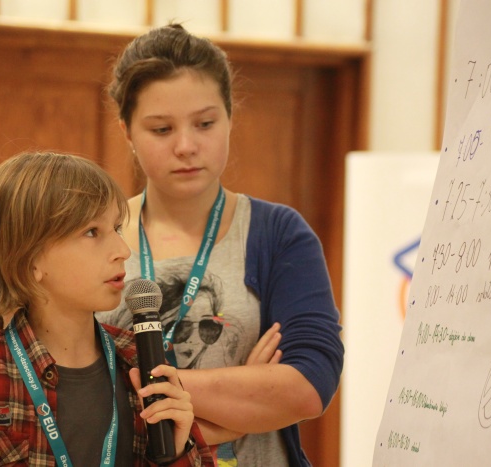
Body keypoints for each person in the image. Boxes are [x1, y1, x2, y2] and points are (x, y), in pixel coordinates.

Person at [95, 24, 344, 466]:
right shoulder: (95, 237)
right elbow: (74, 396)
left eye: (205, 123)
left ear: (230, 118)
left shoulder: (277, 233)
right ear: (127, 132)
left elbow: (310, 385)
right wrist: (243, 402)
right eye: (161, 129)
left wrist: (162, 398)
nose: (186, 146)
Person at [0, 151, 216, 466]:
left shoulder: (140, 360)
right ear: (30, 260)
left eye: (116, 228)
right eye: (92, 232)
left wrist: (176, 454)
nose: (123, 250)